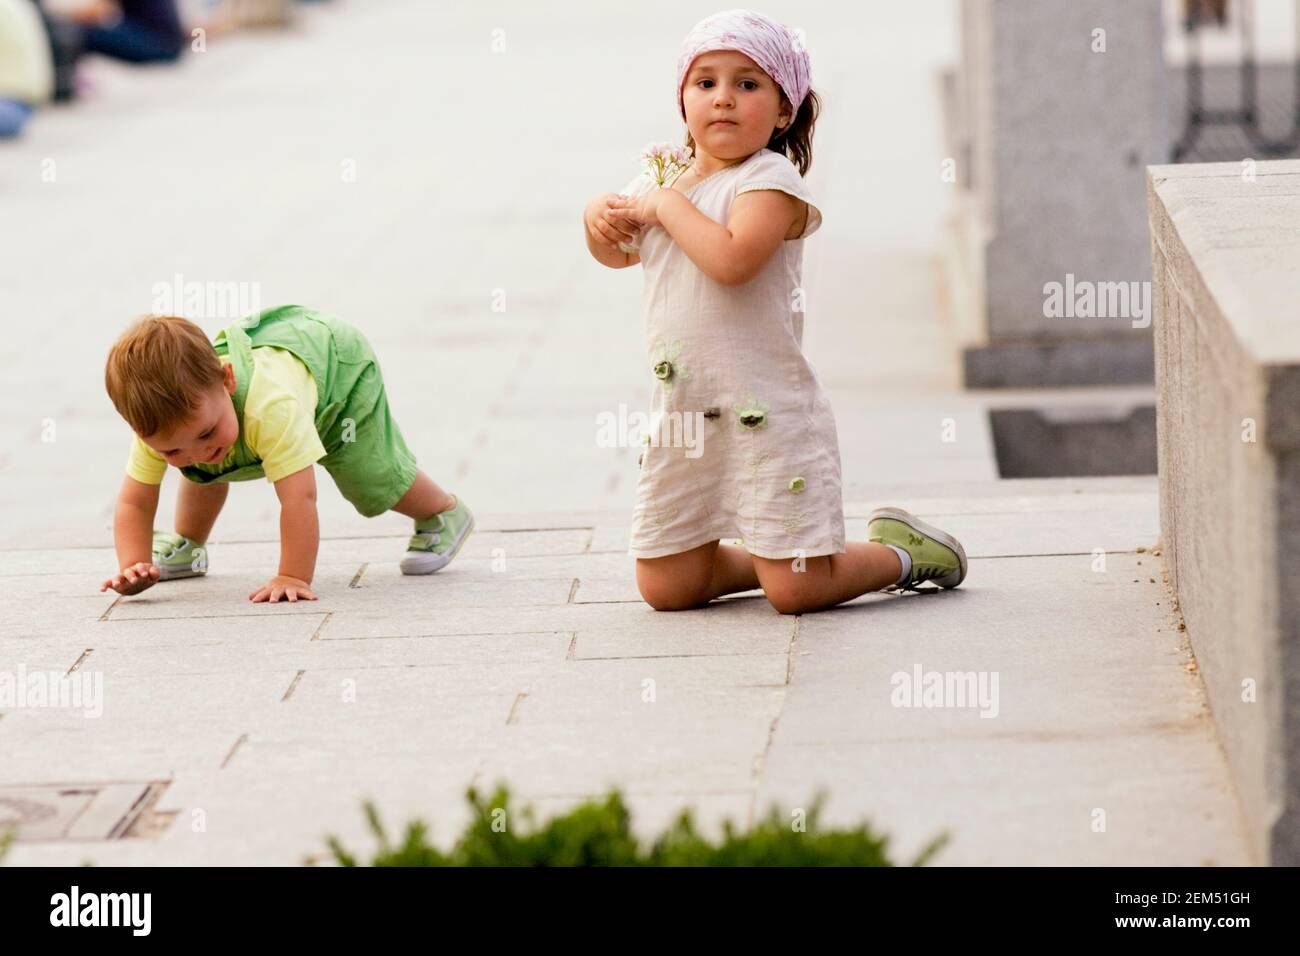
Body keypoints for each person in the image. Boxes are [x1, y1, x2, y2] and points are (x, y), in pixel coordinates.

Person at [582, 9, 968, 614]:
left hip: (767, 411)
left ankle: (899, 554)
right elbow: (618, 254)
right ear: (682, 101)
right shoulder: (665, 180)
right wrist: (598, 222)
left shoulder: (770, 182)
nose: (724, 100)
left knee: (796, 591)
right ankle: (759, 560)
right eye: (705, 83)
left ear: (784, 111)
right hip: (686, 413)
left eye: (748, 84)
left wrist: (664, 207)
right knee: (667, 588)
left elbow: (732, 260)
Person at [99, 305, 474, 603]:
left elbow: (299, 497)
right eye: (171, 449)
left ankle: (443, 513)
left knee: (367, 477)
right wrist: (133, 565)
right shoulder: (160, 425)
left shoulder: (270, 407)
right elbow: (135, 502)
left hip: (336, 372)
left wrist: (292, 575)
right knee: (208, 468)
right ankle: (189, 544)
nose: (198, 450)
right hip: (283, 367)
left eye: (206, 432)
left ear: (227, 380)